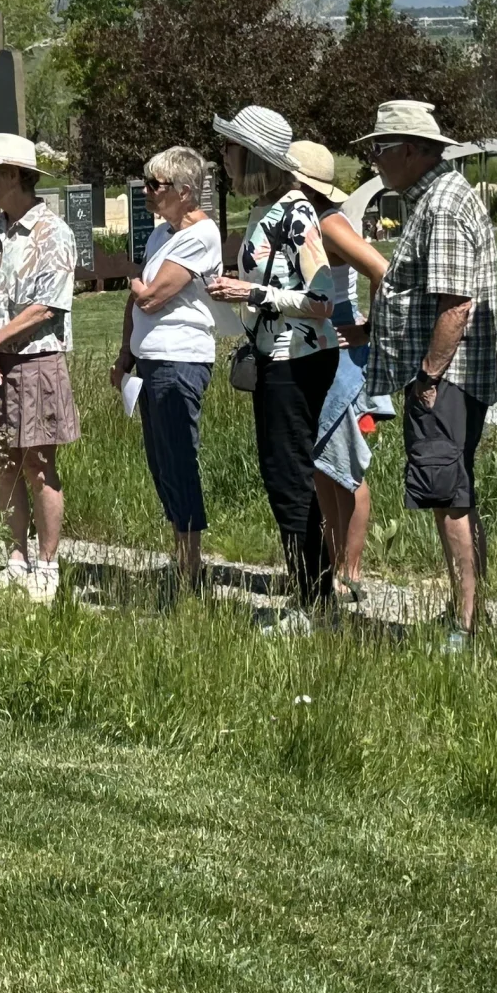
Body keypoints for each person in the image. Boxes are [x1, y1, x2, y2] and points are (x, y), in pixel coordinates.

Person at [360, 100, 497, 648]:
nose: (373, 159)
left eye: (380, 148)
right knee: (454, 492)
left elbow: (455, 305)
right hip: (449, 375)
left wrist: (427, 377)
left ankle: (463, 624)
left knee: (448, 498)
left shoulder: (440, 205)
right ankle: (465, 609)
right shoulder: (435, 196)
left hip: (447, 377)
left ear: (411, 150)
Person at [210, 105, 342, 625]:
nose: (222, 156)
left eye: (230, 147)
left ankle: (316, 603)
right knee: (280, 473)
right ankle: (310, 594)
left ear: (252, 156)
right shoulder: (268, 209)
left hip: (297, 357)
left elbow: (323, 297)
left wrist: (252, 291)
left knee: (290, 477)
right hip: (275, 355)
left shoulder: (294, 211)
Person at [0, 132, 79, 605]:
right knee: (0, 461)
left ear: (14, 176)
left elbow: (47, 307)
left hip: (33, 361)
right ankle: (15, 558)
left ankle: (47, 565)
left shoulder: (53, 233)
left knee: (39, 463)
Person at [110, 145, 222, 597]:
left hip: (180, 359)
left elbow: (151, 296)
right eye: (146, 183)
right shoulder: (162, 235)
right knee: (160, 462)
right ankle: (181, 555)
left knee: (179, 458)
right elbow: (135, 302)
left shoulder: (202, 234)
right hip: (151, 359)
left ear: (186, 191)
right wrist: (124, 355)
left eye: (156, 185)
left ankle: (191, 569)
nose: (147, 192)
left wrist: (135, 284)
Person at [309, 146, 390, 609]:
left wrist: (366, 329)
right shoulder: (309, 220)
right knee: (324, 466)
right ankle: (334, 563)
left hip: (341, 354)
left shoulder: (331, 223)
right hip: (318, 348)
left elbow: (381, 269)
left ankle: (351, 570)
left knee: (348, 467)